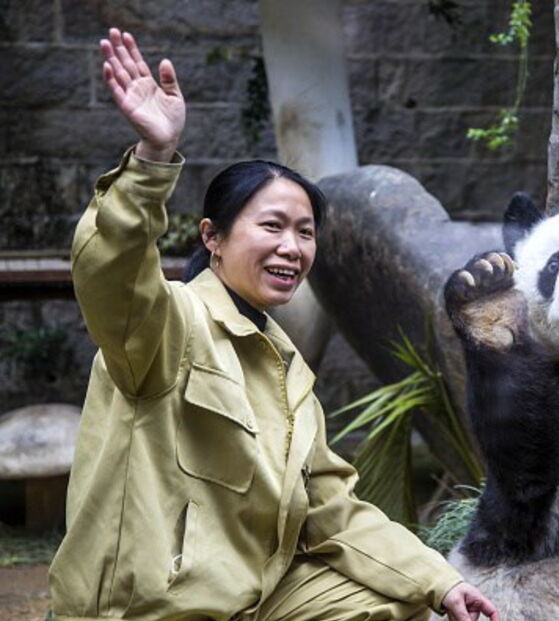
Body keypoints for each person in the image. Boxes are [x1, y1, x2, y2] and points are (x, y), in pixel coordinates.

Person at [48, 28, 499, 621]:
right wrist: (152, 160)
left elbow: (332, 508)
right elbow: (113, 270)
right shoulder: (164, 325)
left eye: (305, 232)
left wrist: (438, 580)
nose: (292, 247)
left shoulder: (288, 372)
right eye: (272, 226)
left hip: (258, 594)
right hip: (154, 605)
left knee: (407, 604)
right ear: (213, 237)